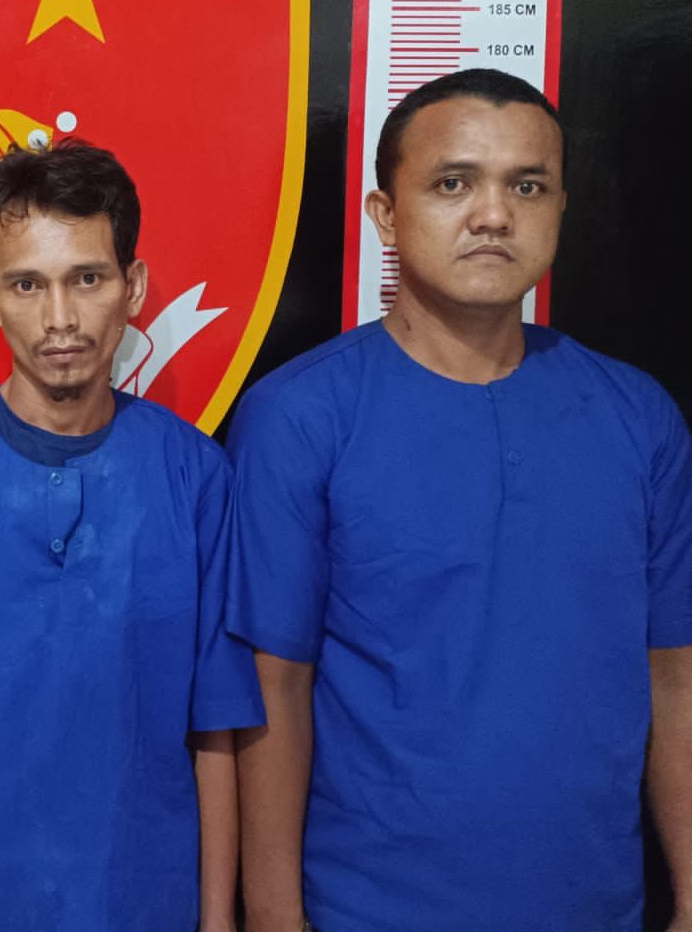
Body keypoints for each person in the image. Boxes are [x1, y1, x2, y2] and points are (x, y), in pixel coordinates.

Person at [227, 68, 692, 932]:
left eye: (527, 186)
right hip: (365, 911)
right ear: (385, 213)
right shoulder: (300, 417)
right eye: (453, 183)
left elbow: (674, 673)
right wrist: (273, 914)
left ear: (561, 207)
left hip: (598, 909)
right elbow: (274, 690)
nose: (493, 215)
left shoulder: (638, 417)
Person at [0, 139, 263, 932]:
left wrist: (216, 919)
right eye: (28, 284)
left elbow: (215, 727)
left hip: (140, 903)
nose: (60, 318)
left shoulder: (193, 475)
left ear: (132, 287)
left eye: (87, 278)